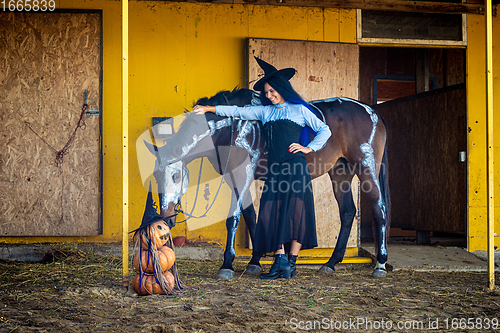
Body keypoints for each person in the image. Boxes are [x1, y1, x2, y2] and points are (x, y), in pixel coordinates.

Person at [194, 57, 331, 279]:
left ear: (281, 88)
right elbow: (236, 112)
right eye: (266, 93)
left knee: (298, 213)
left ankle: (291, 264)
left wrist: (308, 148)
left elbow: (324, 129)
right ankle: (279, 260)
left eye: (271, 91)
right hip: (274, 170)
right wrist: (209, 108)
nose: (269, 95)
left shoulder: (299, 110)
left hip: (296, 167)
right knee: (273, 213)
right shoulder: (265, 112)